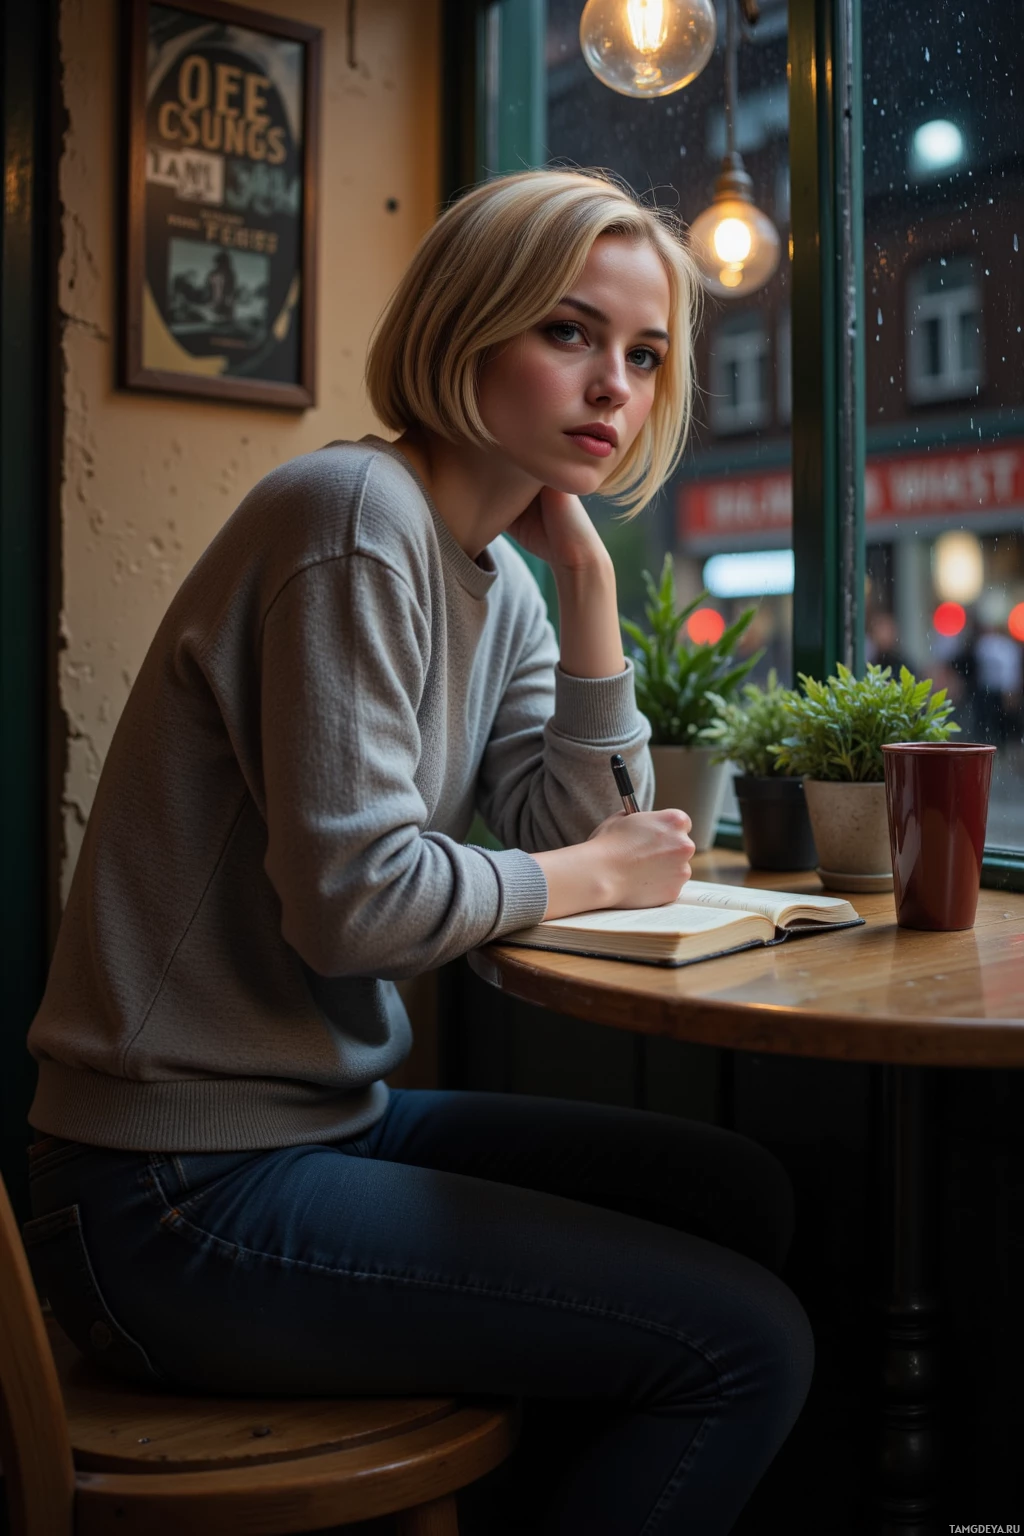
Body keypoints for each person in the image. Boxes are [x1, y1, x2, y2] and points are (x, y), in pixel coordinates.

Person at [24, 168, 813, 1536]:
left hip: (320, 1124)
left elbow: (580, 831)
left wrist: (587, 593)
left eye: (643, 355)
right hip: (164, 1195)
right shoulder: (351, 518)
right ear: (466, 326)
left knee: (734, 1191)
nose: (612, 389)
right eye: (568, 333)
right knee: (748, 1347)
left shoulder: (501, 569)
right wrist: (595, 871)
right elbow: (360, 908)